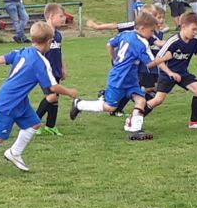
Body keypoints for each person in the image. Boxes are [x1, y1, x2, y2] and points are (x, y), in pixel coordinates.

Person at [0, 21, 79, 178]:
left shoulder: (24, 51)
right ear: (48, 42)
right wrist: (69, 92)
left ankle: (14, 153)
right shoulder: (41, 62)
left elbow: (3, 58)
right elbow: (53, 87)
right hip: (9, 101)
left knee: (34, 123)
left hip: (19, 100)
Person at [69, 13, 160, 141]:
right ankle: (80, 104)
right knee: (111, 107)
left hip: (130, 78)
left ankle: (135, 129)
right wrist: (165, 58)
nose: (152, 34)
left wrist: (114, 59)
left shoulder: (125, 34)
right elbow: (150, 63)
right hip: (120, 78)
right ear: (142, 28)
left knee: (141, 100)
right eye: (151, 31)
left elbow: (110, 44)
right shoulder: (141, 42)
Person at [143, 12, 197, 130]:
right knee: (157, 100)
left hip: (182, 73)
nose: (195, 32)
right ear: (183, 26)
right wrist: (170, 73)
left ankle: (194, 122)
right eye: (193, 29)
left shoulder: (195, 41)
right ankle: (135, 117)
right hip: (167, 74)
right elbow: (158, 60)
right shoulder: (173, 41)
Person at [34, 4, 69, 137]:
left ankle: (50, 126)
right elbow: (35, 52)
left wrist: (63, 68)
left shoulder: (58, 35)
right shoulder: (42, 33)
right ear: (51, 16)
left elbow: (59, 53)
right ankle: (34, 123)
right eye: (60, 16)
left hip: (56, 72)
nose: (63, 19)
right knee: (52, 96)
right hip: (45, 72)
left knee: (55, 98)